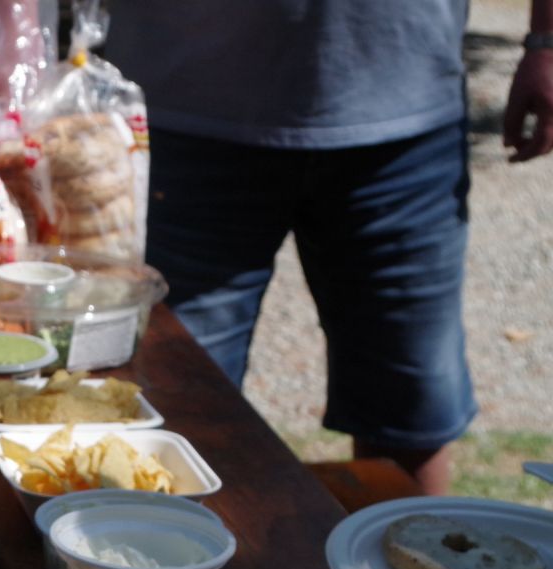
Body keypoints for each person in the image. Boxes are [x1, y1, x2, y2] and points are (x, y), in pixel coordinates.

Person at [102, 1, 553, 494]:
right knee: (172, 412)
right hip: (182, 116)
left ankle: (421, 548)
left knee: (409, 416)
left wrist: (548, 42)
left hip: (405, 122)